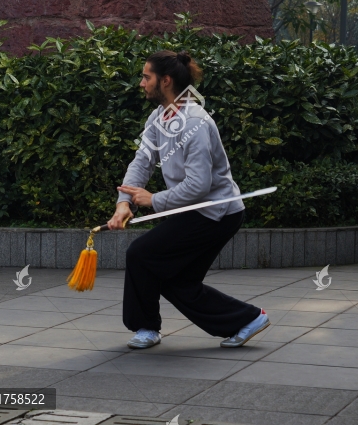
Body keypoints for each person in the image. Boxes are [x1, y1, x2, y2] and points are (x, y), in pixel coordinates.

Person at [107, 50, 269, 349]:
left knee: (141, 254)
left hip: (216, 213)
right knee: (176, 281)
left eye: (146, 77)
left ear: (165, 81)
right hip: (195, 211)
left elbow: (199, 184)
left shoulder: (196, 124)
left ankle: (145, 327)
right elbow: (141, 161)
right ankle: (246, 319)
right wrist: (123, 203)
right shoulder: (159, 117)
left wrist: (154, 200)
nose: (141, 83)